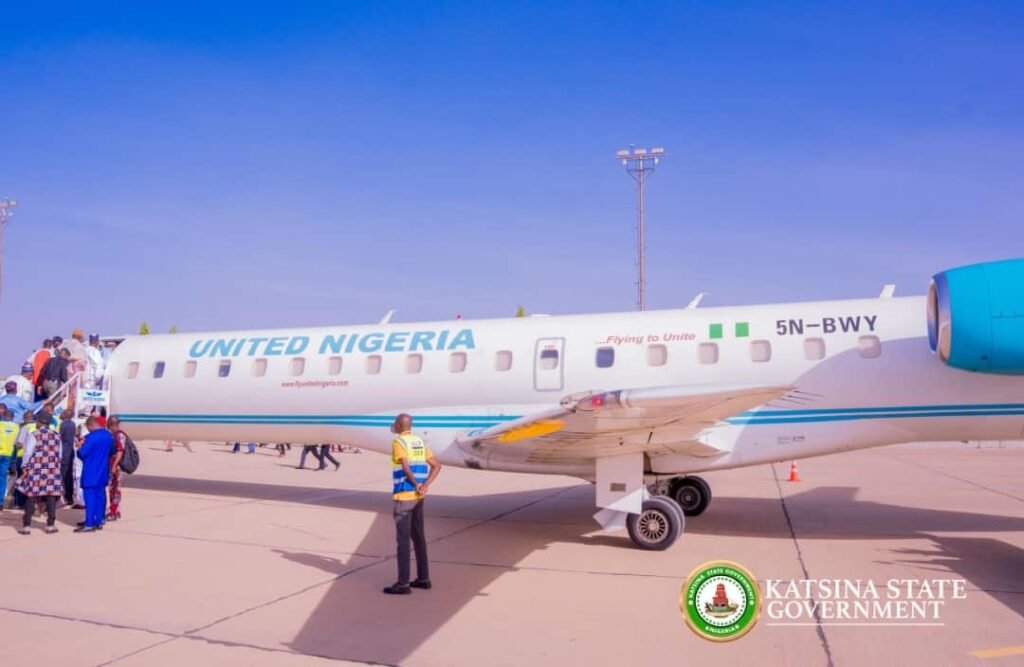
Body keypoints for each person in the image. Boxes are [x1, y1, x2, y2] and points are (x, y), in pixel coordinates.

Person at [383, 413, 441, 595]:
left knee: (403, 541)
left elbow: (405, 467)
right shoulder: (420, 442)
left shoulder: (399, 442)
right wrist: (424, 485)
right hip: (418, 497)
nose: (393, 425)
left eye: (395, 422)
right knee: (419, 537)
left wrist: (416, 484)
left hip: (404, 495)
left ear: (399, 425)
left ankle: (403, 584)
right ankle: (424, 578)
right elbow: (436, 465)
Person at [16, 410, 63, 534]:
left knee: (31, 495)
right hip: (52, 469)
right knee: (51, 495)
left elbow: (28, 452)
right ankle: (50, 525)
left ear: (39, 422)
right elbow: (60, 454)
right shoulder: (57, 435)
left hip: (36, 468)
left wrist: (24, 466)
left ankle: (26, 526)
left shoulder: (34, 434)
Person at [75, 415, 112, 532]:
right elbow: (112, 451)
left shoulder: (91, 437)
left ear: (90, 425)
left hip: (91, 472)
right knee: (100, 497)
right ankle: (99, 520)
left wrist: (79, 447)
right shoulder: (108, 436)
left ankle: (89, 523)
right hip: (103, 472)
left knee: (90, 499)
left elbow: (82, 453)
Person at [106, 416, 126, 521]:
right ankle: (115, 509)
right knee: (113, 488)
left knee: (115, 489)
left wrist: (114, 466)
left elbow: (120, 452)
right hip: (113, 465)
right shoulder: (114, 435)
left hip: (116, 467)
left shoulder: (119, 435)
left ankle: (113, 511)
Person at [0, 409, 18, 510]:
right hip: (8, 455)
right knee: (2, 479)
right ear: (13, 417)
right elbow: (17, 443)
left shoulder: (0, 424)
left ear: (3, 415)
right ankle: (0, 502)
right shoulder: (16, 427)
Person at [59, 409, 77, 506]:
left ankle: (62, 496)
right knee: (69, 476)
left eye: (63, 412)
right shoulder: (72, 424)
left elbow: (59, 438)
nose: (61, 414)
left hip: (64, 452)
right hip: (69, 452)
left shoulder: (64, 425)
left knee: (63, 475)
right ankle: (69, 497)